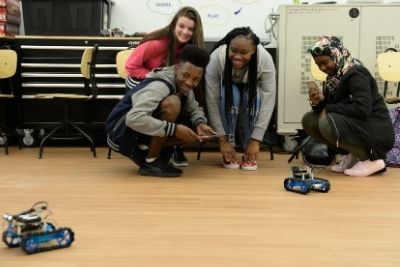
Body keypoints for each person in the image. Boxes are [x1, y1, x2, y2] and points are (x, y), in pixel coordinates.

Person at [106, 45, 217, 177]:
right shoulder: (160, 85)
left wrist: (200, 123)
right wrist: (174, 129)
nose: (189, 82)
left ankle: (151, 152)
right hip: (120, 133)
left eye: (195, 79)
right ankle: (151, 162)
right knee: (173, 103)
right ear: (177, 68)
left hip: (138, 130)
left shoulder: (184, 86)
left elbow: (194, 108)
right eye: (186, 75)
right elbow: (133, 118)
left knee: (193, 134)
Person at [124, 6, 205, 167]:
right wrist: (155, 77)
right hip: (140, 81)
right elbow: (130, 66)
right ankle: (147, 144)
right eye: (181, 26)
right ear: (174, 25)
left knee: (182, 97)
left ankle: (172, 146)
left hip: (165, 84)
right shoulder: (157, 44)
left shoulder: (189, 50)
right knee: (172, 101)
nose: (185, 32)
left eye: (190, 29)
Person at [302, 36, 394, 177]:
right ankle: (354, 155)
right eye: (318, 65)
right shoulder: (335, 78)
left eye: (325, 62)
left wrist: (329, 108)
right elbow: (334, 107)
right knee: (310, 120)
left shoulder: (357, 73)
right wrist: (318, 103)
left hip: (376, 132)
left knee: (327, 121)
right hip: (358, 127)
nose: (322, 68)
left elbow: (362, 110)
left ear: (336, 55)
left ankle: (372, 159)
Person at [205, 27, 276, 170]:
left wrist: (255, 139)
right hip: (227, 94)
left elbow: (269, 99)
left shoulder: (264, 59)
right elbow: (212, 102)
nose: (237, 57)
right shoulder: (216, 59)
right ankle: (229, 147)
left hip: (250, 93)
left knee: (254, 93)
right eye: (233, 50)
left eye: (244, 52)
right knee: (229, 92)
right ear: (227, 46)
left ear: (254, 50)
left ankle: (247, 148)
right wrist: (223, 140)